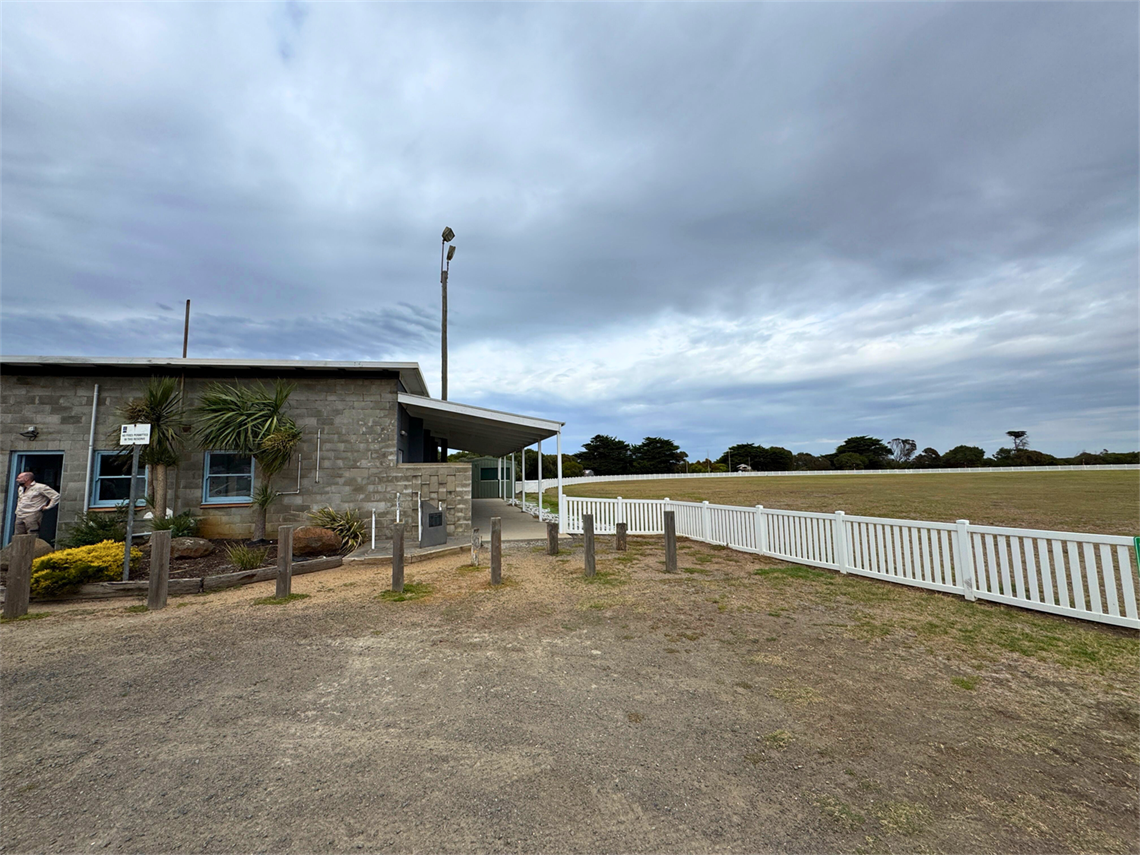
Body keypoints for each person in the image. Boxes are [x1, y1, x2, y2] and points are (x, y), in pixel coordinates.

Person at [15, 471, 60, 539]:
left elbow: (56, 496)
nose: (17, 479)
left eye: (19, 478)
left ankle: (31, 549)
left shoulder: (40, 487)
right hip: (20, 514)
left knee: (32, 536)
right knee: (18, 536)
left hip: (32, 514)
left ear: (26, 478)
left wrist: (48, 507)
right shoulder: (21, 488)